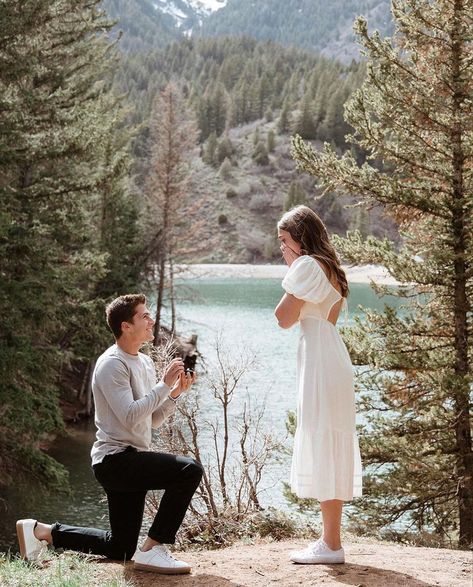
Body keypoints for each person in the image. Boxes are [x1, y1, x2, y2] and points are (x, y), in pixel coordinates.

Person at [16, 293, 203, 575]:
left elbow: (149, 420)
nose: (152, 320)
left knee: (122, 547)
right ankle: (153, 548)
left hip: (131, 459)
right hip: (115, 461)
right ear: (126, 326)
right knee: (189, 469)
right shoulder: (112, 364)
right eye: (144, 316)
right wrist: (164, 386)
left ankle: (41, 531)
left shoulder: (144, 362)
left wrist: (174, 395)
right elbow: (129, 415)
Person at [275, 206, 362, 564]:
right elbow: (327, 318)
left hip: (320, 360)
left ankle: (331, 545)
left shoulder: (308, 266)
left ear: (301, 237)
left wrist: (294, 269)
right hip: (331, 355)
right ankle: (331, 541)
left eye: (284, 241)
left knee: (323, 438)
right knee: (330, 438)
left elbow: (283, 318)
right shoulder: (331, 270)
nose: (282, 249)